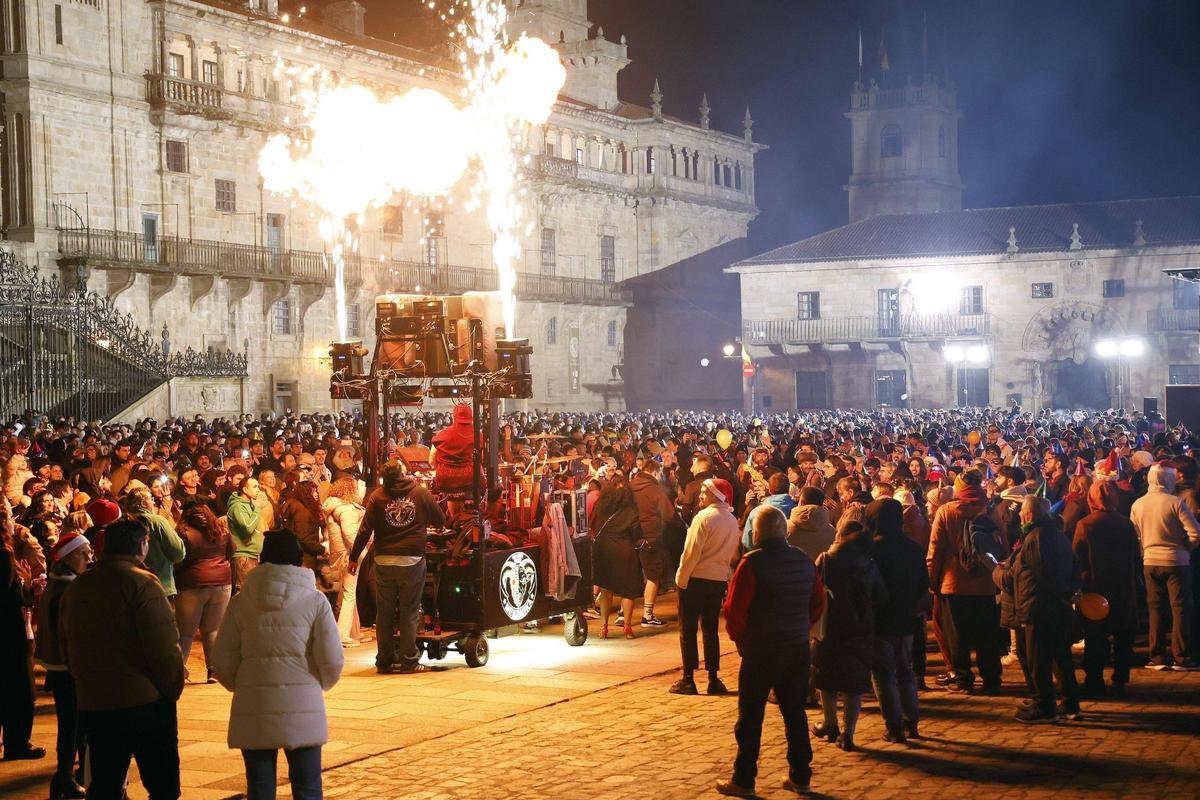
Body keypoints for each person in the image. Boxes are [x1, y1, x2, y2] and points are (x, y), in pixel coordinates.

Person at [212, 530, 344, 800]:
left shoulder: (241, 601)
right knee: (307, 786)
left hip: (254, 703)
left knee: (260, 788)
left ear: (263, 559)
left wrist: (243, 683)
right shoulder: (315, 600)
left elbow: (222, 660)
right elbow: (331, 658)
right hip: (303, 703)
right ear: (298, 560)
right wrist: (319, 682)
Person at [60, 518, 185, 800]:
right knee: (162, 784)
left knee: (105, 782)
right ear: (141, 546)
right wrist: (172, 688)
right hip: (143, 700)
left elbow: (65, 641)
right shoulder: (142, 584)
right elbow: (163, 647)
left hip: (96, 700)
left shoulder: (80, 586)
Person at [718, 507, 825, 798]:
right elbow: (818, 601)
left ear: (758, 532)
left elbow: (734, 610)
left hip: (762, 649)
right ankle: (801, 774)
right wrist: (802, 626)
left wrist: (741, 640)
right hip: (795, 648)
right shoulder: (803, 561)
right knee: (795, 713)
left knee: (751, 716)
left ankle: (744, 778)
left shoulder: (752, 564)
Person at [349, 460, 444, 674]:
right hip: (411, 558)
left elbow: (364, 530)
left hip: (384, 559)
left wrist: (354, 558)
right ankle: (409, 660)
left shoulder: (377, 497)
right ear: (403, 473)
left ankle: (384, 660)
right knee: (409, 611)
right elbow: (440, 518)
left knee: (384, 612)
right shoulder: (419, 493)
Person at [996, 497, 1081, 723]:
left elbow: (1035, 573)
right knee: (1059, 657)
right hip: (1055, 605)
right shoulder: (1057, 535)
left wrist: (998, 573)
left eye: (1023, 512)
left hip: (1039, 607)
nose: (1020, 516)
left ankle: (1045, 706)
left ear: (1030, 515)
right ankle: (1069, 702)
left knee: (1038, 659)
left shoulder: (1037, 537)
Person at [811, 521, 888, 751]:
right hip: (860, 628)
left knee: (827, 677)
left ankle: (830, 723)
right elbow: (882, 595)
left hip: (829, 626)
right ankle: (848, 733)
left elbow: (813, 590)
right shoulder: (869, 565)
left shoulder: (825, 559)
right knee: (854, 682)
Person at [926, 468, 1003, 693]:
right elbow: (1002, 546)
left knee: (956, 635)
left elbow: (935, 550)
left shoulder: (947, 511)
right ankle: (992, 679)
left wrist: (931, 580)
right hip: (986, 582)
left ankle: (963, 679)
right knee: (986, 635)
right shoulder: (990, 511)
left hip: (954, 583)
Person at [34, 531, 92, 799]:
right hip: (68, 666)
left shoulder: (60, 583)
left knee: (74, 724)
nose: (89, 557)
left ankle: (69, 775)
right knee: (73, 724)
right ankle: (65, 777)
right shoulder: (68, 588)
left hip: (61, 664)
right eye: (84, 553)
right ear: (68, 557)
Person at [865, 498, 928, 742]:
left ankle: (893, 726)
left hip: (881, 618)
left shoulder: (872, 549)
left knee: (883, 675)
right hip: (906, 617)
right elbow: (923, 581)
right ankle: (911, 721)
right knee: (905, 671)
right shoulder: (912, 547)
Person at [671, 477, 740, 696]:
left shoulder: (703, 518)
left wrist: (681, 578)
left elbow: (691, 552)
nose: (700, 495)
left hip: (696, 578)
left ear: (716, 495)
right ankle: (712, 677)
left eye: (704, 492)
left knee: (688, 629)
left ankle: (688, 678)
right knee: (711, 630)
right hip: (717, 579)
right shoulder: (730, 519)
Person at [1131, 461, 1200, 670]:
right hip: (1177, 561)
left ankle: (1157, 656)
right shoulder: (1175, 503)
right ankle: (1181, 656)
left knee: (1155, 608)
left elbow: (1136, 536)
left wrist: (1145, 552)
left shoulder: (1138, 504)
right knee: (1180, 608)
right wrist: (1185, 549)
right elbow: (1195, 532)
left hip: (1150, 561)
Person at [1073, 481, 1140, 695]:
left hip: (1096, 585)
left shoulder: (1086, 524)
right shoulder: (1125, 524)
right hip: (1122, 584)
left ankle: (1094, 679)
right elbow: (1134, 555)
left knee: (1095, 636)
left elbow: (1077, 557)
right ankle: (1120, 678)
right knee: (1122, 632)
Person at [1, 499, 44, 762]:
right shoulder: (4, 553)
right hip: (10, 630)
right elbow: (7, 594)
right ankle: (17, 743)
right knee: (19, 688)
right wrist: (28, 588)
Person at [174, 502, 233, 684]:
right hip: (222, 583)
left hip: (192, 583)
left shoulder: (184, 533)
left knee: (186, 632)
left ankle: (178, 671)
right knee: (213, 629)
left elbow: (178, 558)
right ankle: (214, 671)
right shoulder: (222, 531)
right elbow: (232, 551)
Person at [591, 472, 645, 639]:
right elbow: (636, 533)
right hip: (624, 551)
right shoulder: (631, 510)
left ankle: (604, 627)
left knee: (606, 590)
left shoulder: (601, 506)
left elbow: (593, 525)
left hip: (604, 550)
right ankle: (627, 628)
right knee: (627, 591)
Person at [629, 460, 676, 626]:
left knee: (632, 576)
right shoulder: (654, 489)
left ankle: (623, 613)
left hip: (631, 536)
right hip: (651, 536)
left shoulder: (630, 486)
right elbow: (669, 514)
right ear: (655, 472)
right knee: (653, 575)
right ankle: (647, 615)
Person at [323, 476, 365, 646]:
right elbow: (351, 537)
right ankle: (343, 635)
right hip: (349, 557)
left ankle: (353, 631)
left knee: (347, 593)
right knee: (349, 594)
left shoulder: (332, 507)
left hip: (337, 556)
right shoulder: (347, 510)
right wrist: (358, 554)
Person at [227, 477, 262, 592]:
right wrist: (257, 509)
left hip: (252, 554)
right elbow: (248, 527)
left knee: (252, 593)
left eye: (258, 486)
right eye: (254, 487)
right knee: (244, 593)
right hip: (243, 556)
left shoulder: (249, 505)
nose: (258, 490)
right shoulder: (237, 506)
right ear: (245, 490)